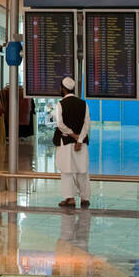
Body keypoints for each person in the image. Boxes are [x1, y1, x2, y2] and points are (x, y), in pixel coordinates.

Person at [52, 77, 91, 208]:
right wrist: (79, 140)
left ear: (63, 89)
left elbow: (60, 125)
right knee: (82, 171)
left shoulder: (60, 104)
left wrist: (73, 135)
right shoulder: (83, 103)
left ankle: (70, 199)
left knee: (67, 171)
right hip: (82, 144)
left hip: (66, 142)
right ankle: (85, 198)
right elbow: (87, 124)